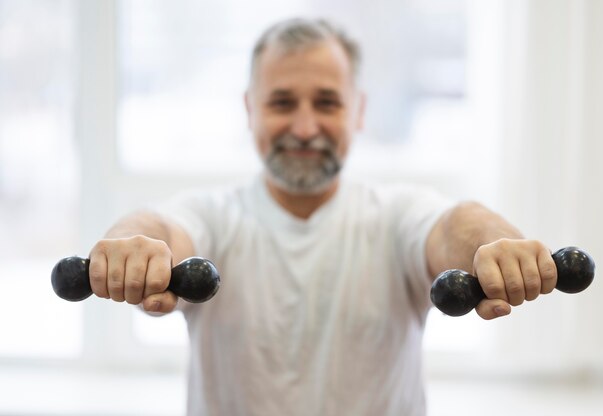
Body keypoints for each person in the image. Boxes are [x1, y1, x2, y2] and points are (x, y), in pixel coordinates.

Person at [87, 18, 558, 415]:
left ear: (359, 112)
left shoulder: (395, 214)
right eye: (282, 103)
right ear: (251, 110)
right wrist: (132, 244)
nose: (305, 127)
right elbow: (162, 230)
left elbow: (457, 224)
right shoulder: (214, 215)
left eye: (327, 103)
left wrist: (491, 246)